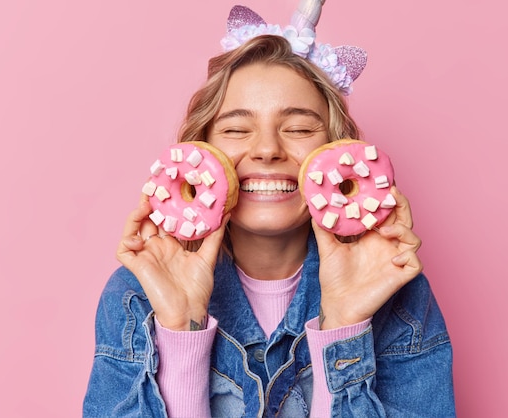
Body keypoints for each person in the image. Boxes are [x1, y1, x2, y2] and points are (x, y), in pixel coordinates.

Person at [83, 2, 455, 417]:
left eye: (297, 129)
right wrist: (180, 326)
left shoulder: (395, 293)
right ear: (200, 152)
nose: (266, 150)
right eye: (237, 129)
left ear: (337, 152)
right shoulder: (137, 294)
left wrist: (343, 324)